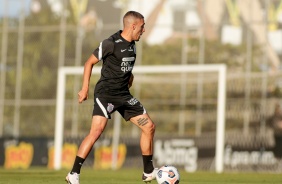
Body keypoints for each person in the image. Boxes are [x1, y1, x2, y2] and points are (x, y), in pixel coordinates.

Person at [65, 11, 158, 184]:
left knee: (149, 127)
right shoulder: (111, 43)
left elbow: (124, 66)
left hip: (123, 96)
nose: (144, 30)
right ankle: (73, 174)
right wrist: (84, 88)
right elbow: (89, 63)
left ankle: (148, 171)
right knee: (97, 131)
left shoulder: (133, 44)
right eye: (142, 26)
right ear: (133, 26)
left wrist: (129, 77)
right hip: (106, 94)